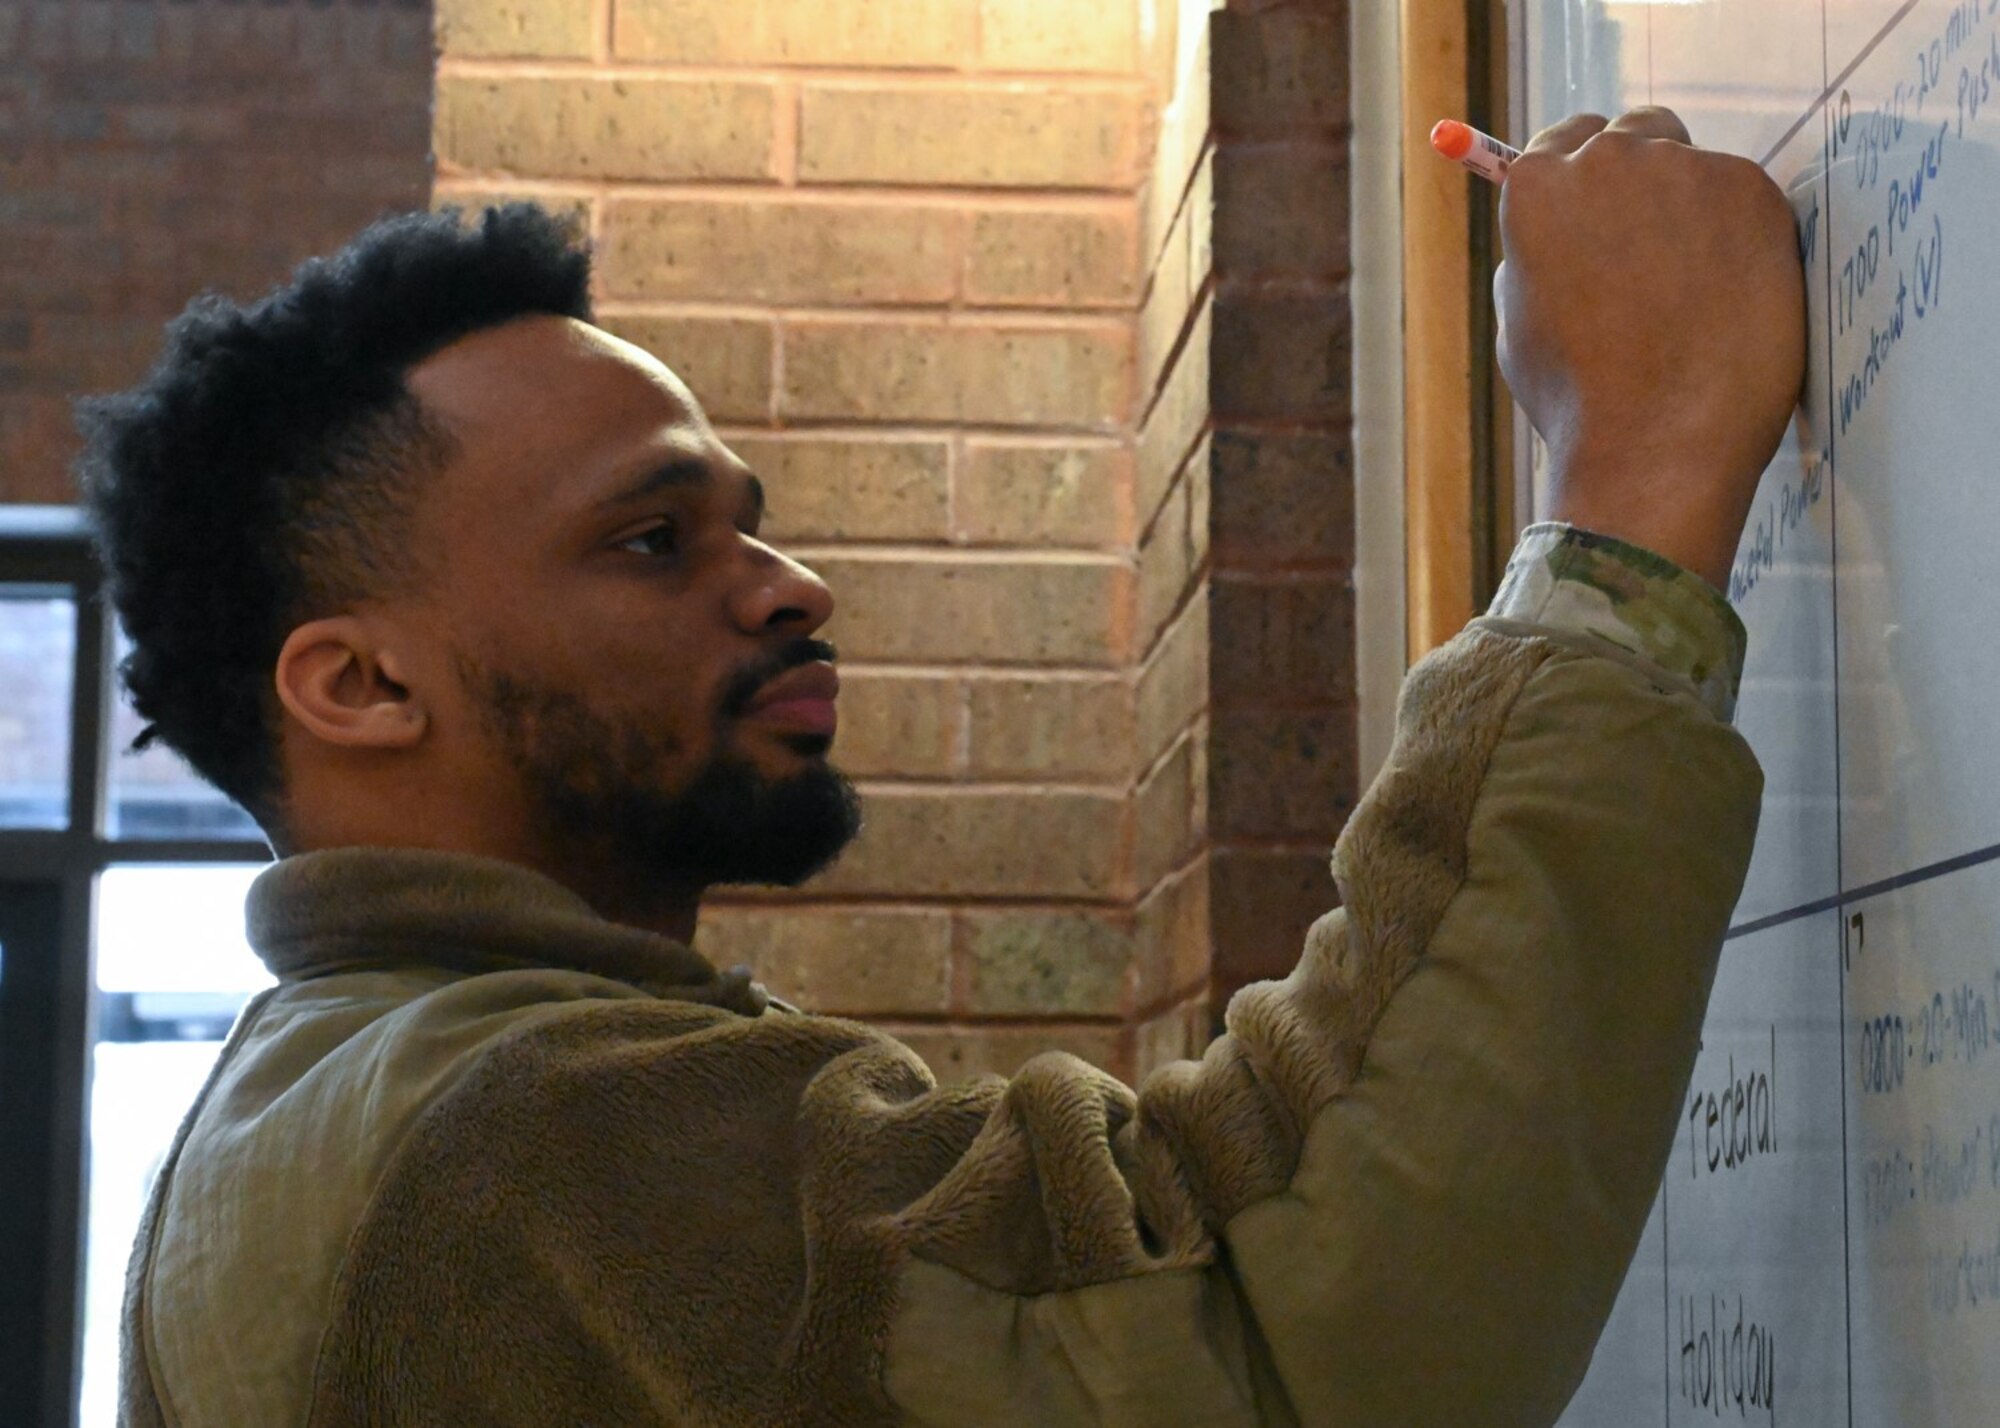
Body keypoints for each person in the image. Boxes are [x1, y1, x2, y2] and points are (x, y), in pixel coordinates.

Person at [89, 107, 1803, 1427]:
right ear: (362, 684)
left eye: (743, 528)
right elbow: (1291, 1324)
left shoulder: (301, 1108)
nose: (788, 588)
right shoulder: (528, 1132)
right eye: (647, 540)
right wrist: (1636, 479)